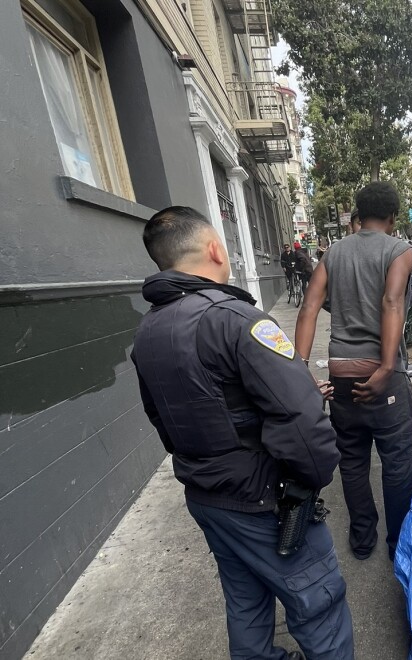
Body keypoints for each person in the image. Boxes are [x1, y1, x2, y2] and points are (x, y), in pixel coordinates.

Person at [131, 207, 354, 660]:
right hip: (263, 501)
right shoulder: (238, 321)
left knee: (246, 602)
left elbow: (161, 418)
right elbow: (302, 423)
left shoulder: (149, 330)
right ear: (214, 248)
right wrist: (311, 481)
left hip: (208, 496)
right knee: (319, 607)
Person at [295, 182, 412, 561]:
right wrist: (385, 366)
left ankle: (362, 539)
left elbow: (309, 308)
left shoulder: (332, 253)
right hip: (382, 374)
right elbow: (392, 300)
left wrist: (300, 368)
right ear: (393, 218)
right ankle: (399, 542)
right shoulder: (400, 250)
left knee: (352, 460)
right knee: (397, 461)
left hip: (341, 371)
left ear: (357, 216)